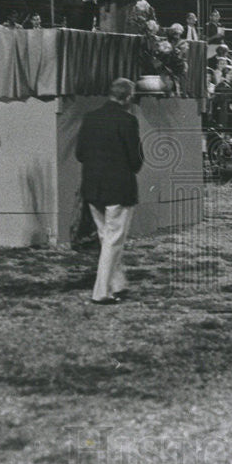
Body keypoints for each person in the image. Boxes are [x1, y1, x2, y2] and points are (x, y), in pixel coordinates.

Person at [76, 78, 144, 304]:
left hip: (93, 187)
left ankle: (117, 282)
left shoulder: (90, 118)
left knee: (107, 237)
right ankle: (101, 292)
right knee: (113, 240)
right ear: (127, 97)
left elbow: (80, 154)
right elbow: (135, 162)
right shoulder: (128, 121)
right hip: (118, 188)